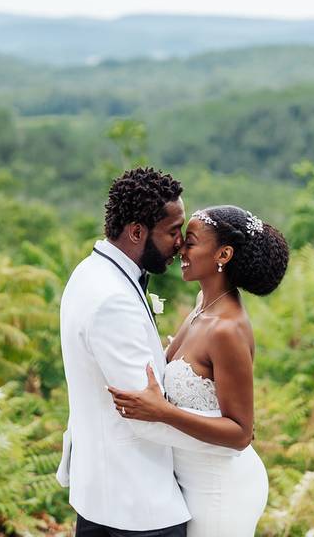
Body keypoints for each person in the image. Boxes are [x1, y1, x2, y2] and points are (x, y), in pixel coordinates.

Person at [57, 168, 241, 536]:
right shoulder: (113, 299)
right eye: (173, 231)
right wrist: (228, 439)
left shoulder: (90, 272)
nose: (180, 243)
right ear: (137, 232)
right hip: (137, 504)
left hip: (102, 494)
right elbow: (142, 411)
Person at [108, 205, 290, 536]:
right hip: (187, 485)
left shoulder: (226, 329)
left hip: (220, 491)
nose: (180, 248)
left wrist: (163, 413)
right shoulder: (201, 306)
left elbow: (241, 433)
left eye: (190, 241)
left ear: (223, 253)